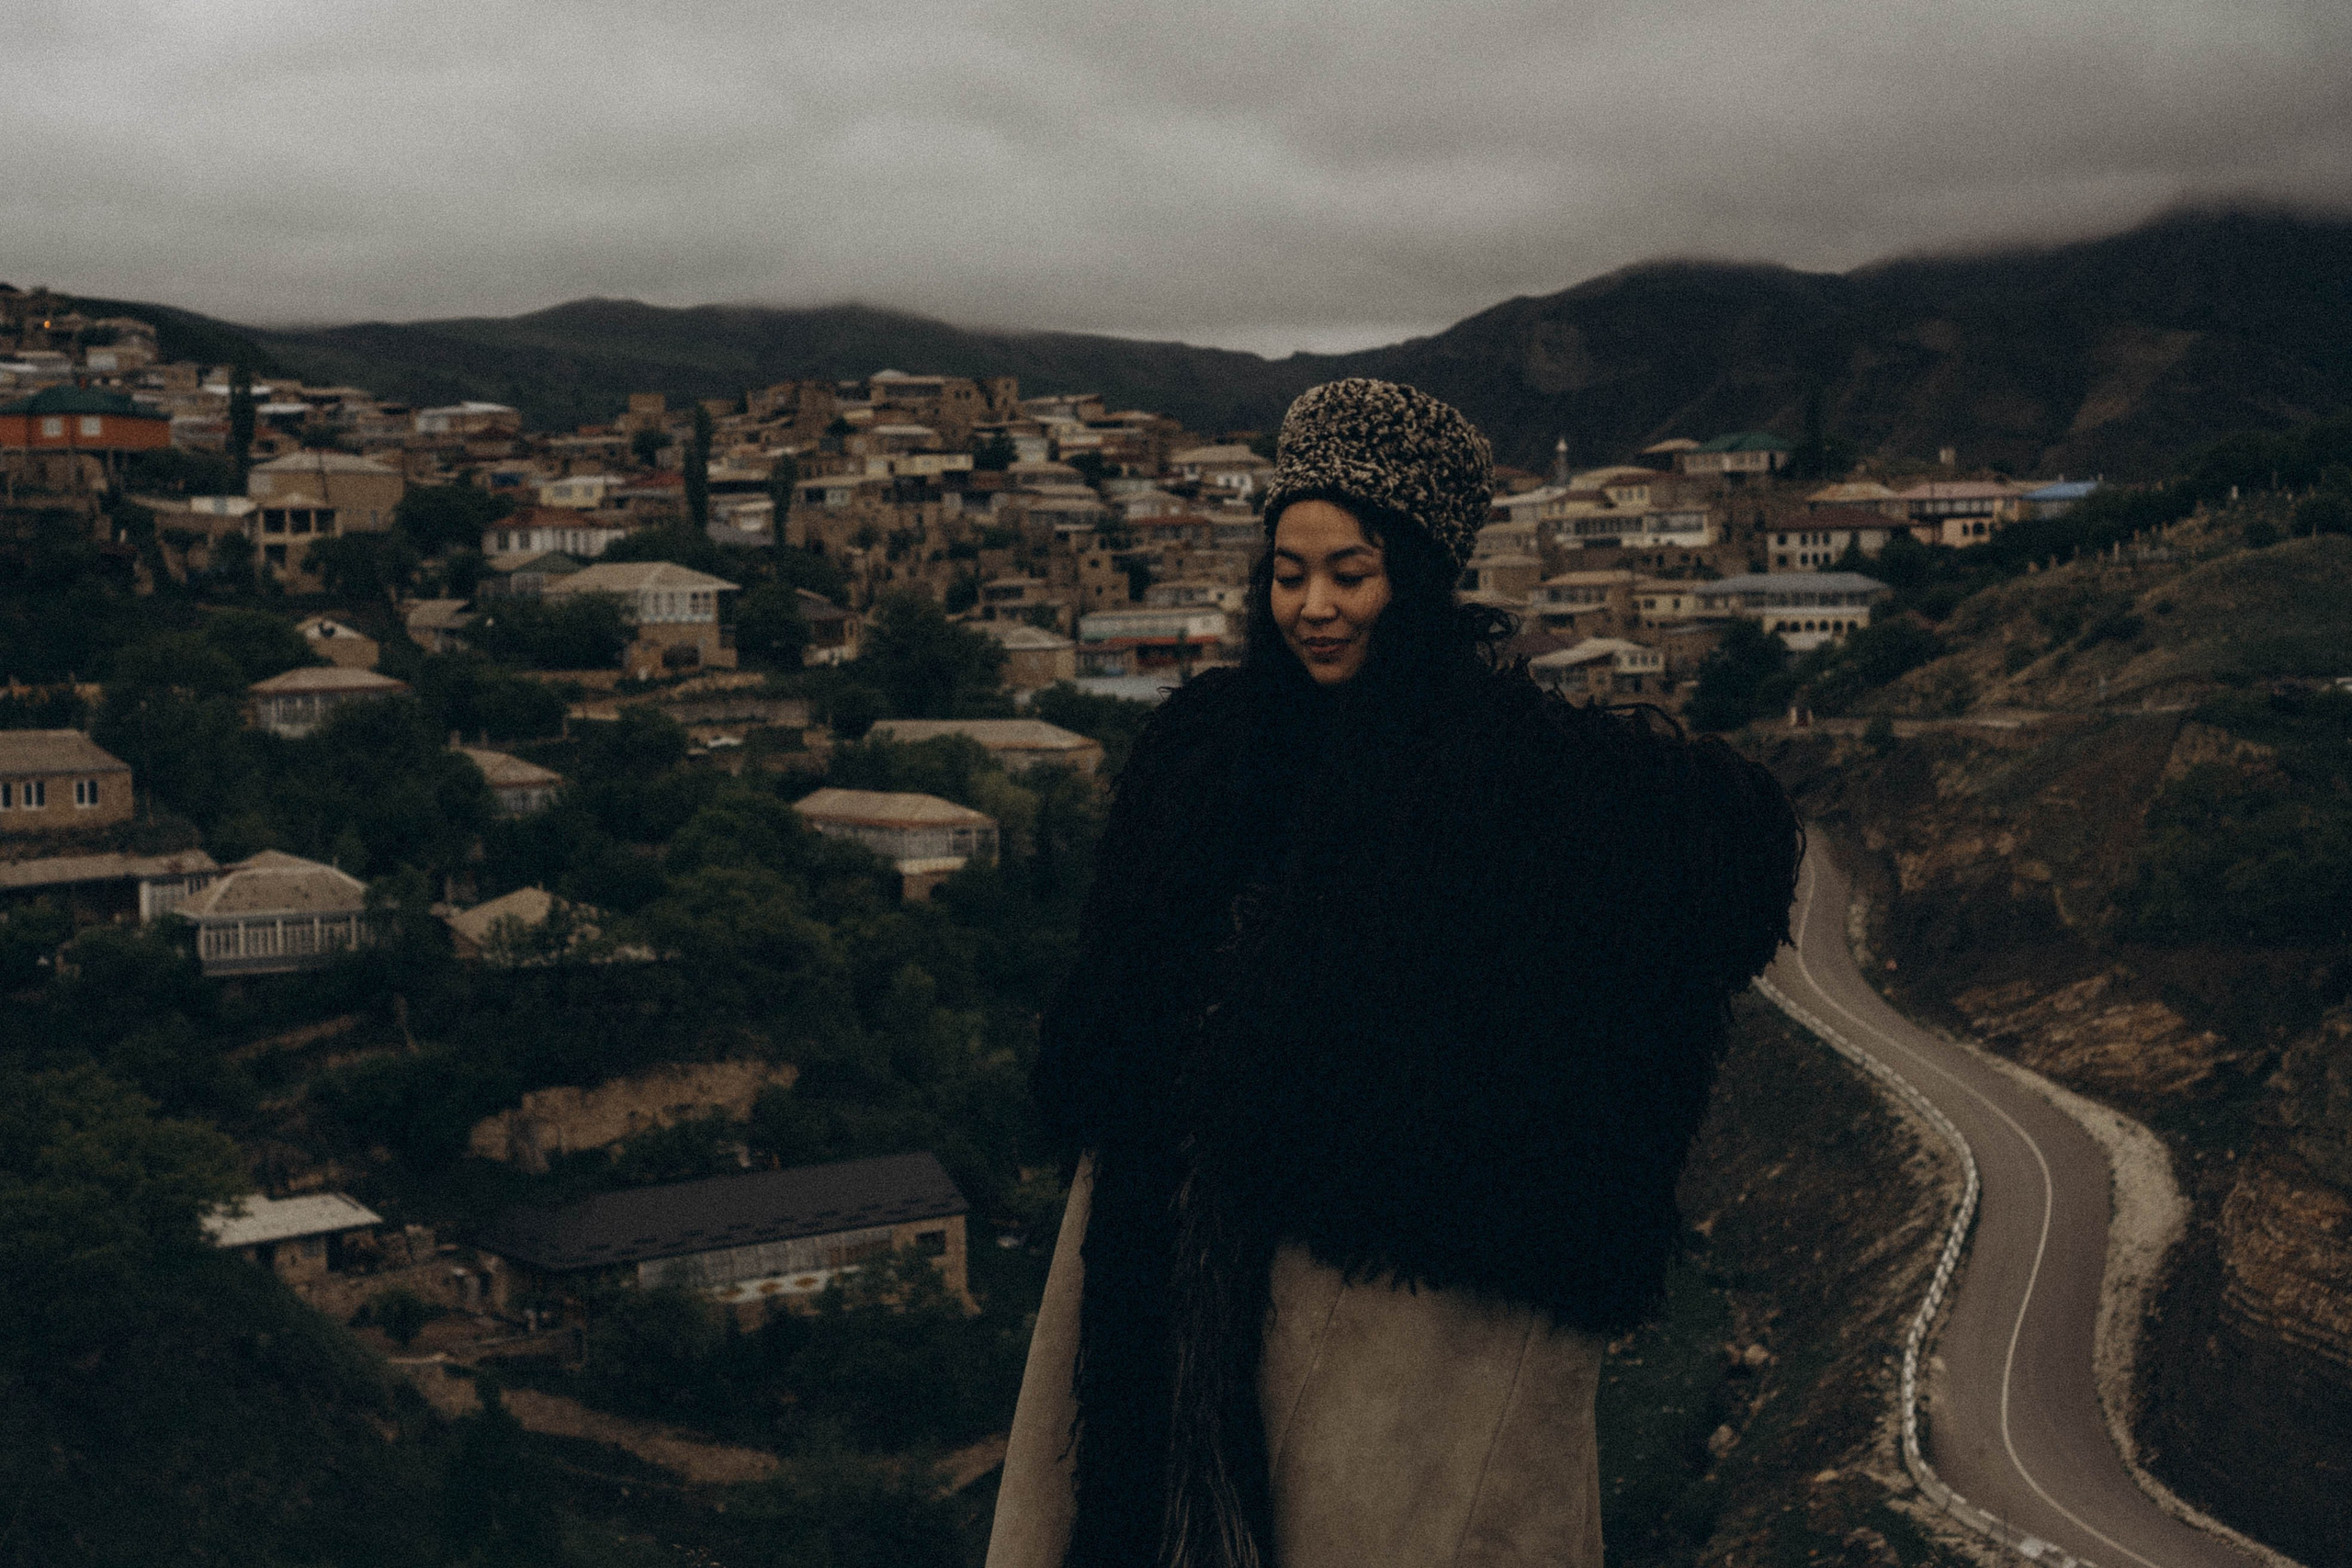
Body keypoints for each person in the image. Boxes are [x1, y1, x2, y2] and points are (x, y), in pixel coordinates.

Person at [987, 379, 1802, 1568]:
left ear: (1416, 578)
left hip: (1367, 1302)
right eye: (1288, 574)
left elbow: (1723, 867)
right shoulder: (1210, 758)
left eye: (1350, 574)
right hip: (1149, 1277)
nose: (1313, 608)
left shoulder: (1502, 775)